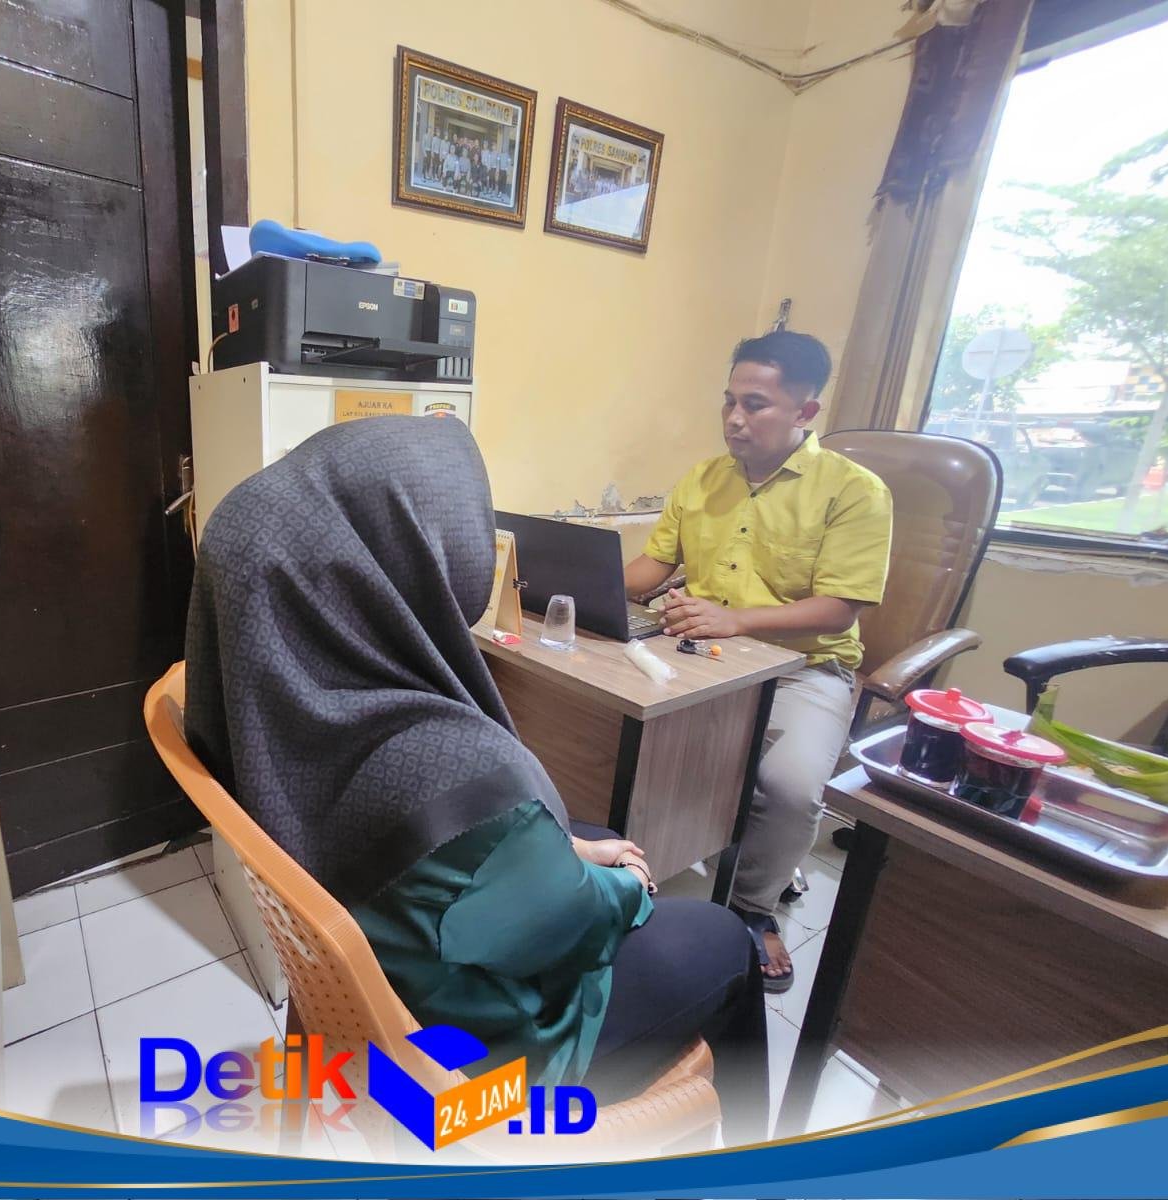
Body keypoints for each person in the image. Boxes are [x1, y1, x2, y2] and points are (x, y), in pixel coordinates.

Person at [185, 416, 769, 1144]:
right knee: (725, 939)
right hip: (471, 1082)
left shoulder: (277, 703)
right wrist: (626, 887)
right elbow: (572, 922)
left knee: (586, 834)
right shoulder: (451, 770)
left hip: (377, 979)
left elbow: (488, 854)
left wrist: (564, 847)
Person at [624, 331, 893, 994]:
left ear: (805, 411)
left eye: (755, 404)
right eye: (729, 401)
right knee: (620, 727)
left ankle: (751, 907)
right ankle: (627, 874)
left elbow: (840, 609)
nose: (734, 419)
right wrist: (568, 580)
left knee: (792, 787)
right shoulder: (703, 479)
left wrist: (737, 618)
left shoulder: (854, 491)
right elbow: (652, 568)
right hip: (700, 652)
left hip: (804, 667)